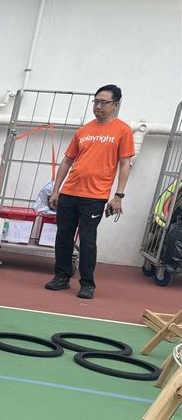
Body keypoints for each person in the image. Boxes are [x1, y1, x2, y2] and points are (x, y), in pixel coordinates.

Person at [44, 84, 135, 300]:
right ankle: (62, 276)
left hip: (95, 197)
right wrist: (56, 190)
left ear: (115, 105)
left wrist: (119, 196)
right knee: (63, 237)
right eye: (96, 102)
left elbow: (125, 164)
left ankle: (87, 283)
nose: (98, 106)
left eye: (104, 102)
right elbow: (67, 161)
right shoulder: (83, 131)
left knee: (87, 240)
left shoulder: (122, 130)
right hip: (69, 193)